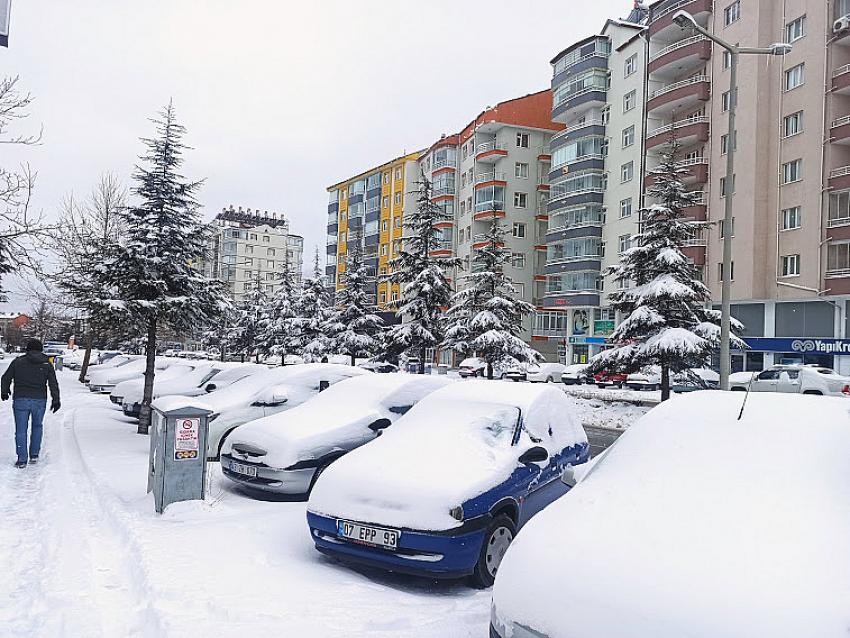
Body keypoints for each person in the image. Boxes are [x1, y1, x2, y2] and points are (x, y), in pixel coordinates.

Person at [1, 339, 61, 468]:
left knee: (21, 430)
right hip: (39, 400)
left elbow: (5, 378)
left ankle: (22, 459)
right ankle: (34, 454)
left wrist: (4, 391)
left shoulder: (18, 362)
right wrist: (56, 399)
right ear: (40, 349)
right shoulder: (46, 363)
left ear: (27, 349)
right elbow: (53, 383)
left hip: (20, 400)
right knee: (37, 426)